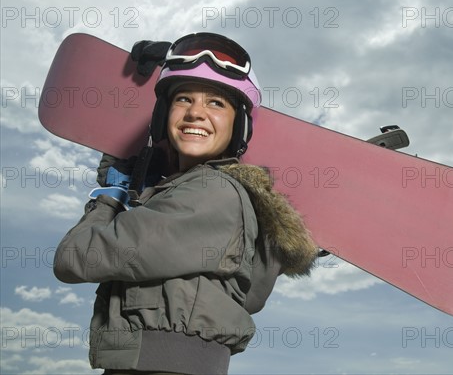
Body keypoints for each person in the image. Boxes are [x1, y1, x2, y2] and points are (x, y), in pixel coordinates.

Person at [53, 33, 318, 375]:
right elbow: (249, 299)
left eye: (216, 103)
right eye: (183, 99)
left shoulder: (210, 192)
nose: (195, 113)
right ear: (164, 113)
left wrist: (109, 197)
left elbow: (75, 258)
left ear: (239, 126)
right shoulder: (214, 196)